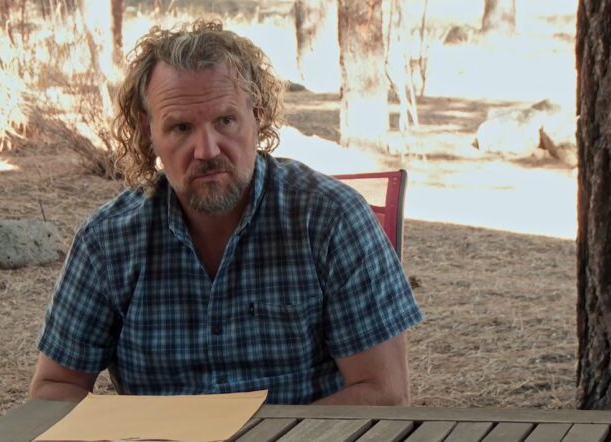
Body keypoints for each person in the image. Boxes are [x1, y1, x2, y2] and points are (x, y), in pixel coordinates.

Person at [30, 19, 422, 406]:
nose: (207, 150)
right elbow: (53, 389)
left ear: (258, 115)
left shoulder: (331, 219)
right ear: (148, 133)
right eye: (181, 128)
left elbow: (384, 392)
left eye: (226, 121)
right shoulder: (108, 241)